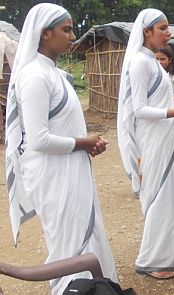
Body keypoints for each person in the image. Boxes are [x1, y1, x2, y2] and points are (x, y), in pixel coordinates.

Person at [4, 4, 118, 294]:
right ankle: (73, 289)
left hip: (69, 167)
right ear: (45, 33)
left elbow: (62, 129)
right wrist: (84, 142)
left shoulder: (53, 72)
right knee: (68, 243)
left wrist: (84, 144)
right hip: (54, 175)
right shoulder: (34, 76)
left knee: (83, 235)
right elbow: (39, 140)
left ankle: (95, 288)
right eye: (66, 29)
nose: (72, 35)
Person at [117, 8, 174, 279]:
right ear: (146, 32)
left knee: (171, 196)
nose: (168, 33)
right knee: (159, 197)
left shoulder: (151, 62)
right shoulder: (139, 62)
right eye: (163, 28)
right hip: (154, 141)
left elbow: (159, 103)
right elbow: (140, 110)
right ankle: (153, 259)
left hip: (165, 137)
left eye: (168, 28)